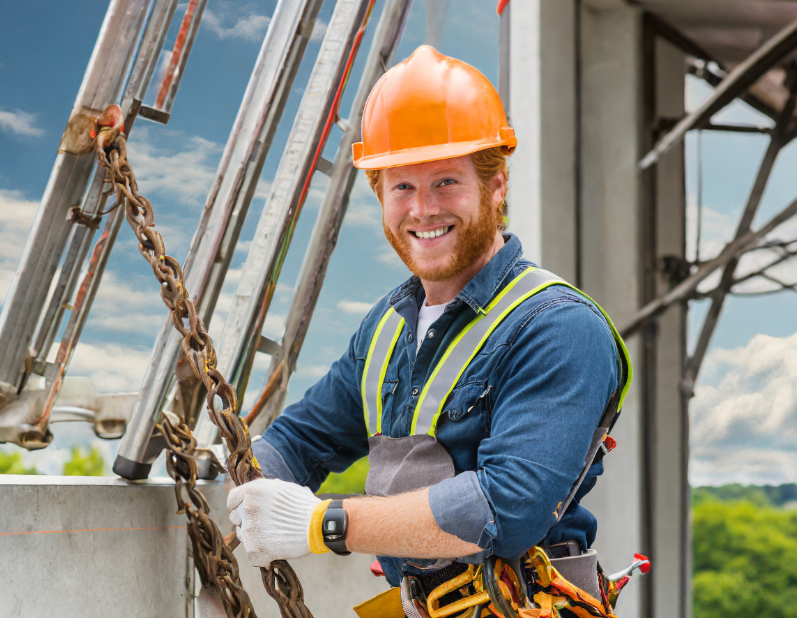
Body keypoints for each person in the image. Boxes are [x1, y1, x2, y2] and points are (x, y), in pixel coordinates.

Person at [227, 45, 630, 607]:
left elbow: (504, 509)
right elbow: (302, 441)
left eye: (445, 182)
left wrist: (327, 523)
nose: (422, 210)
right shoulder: (389, 328)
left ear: (496, 186)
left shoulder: (559, 328)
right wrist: (238, 483)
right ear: (381, 196)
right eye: (402, 187)